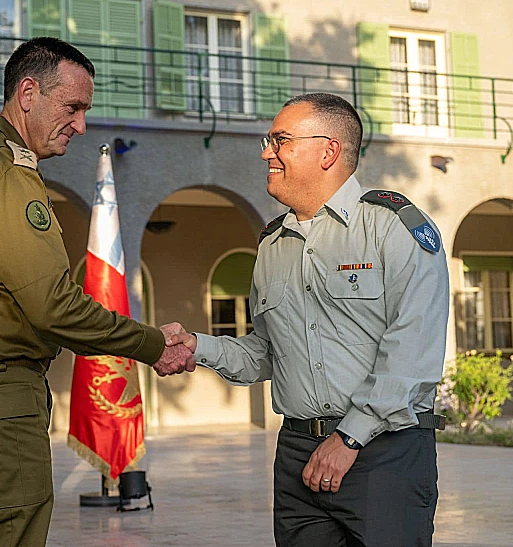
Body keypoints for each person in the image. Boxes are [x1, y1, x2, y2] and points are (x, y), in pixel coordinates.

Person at [0, 37, 192, 547]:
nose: (81, 125)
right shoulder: (5, 174)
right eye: (73, 107)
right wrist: (154, 345)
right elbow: (53, 306)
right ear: (27, 93)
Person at [162, 92, 450, 546]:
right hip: (298, 453)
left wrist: (348, 440)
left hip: (383, 453)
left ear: (328, 151)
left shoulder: (393, 227)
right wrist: (199, 347)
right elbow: (266, 352)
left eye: (280, 140)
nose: (265, 152)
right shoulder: (272, 245)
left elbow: (412, 352)